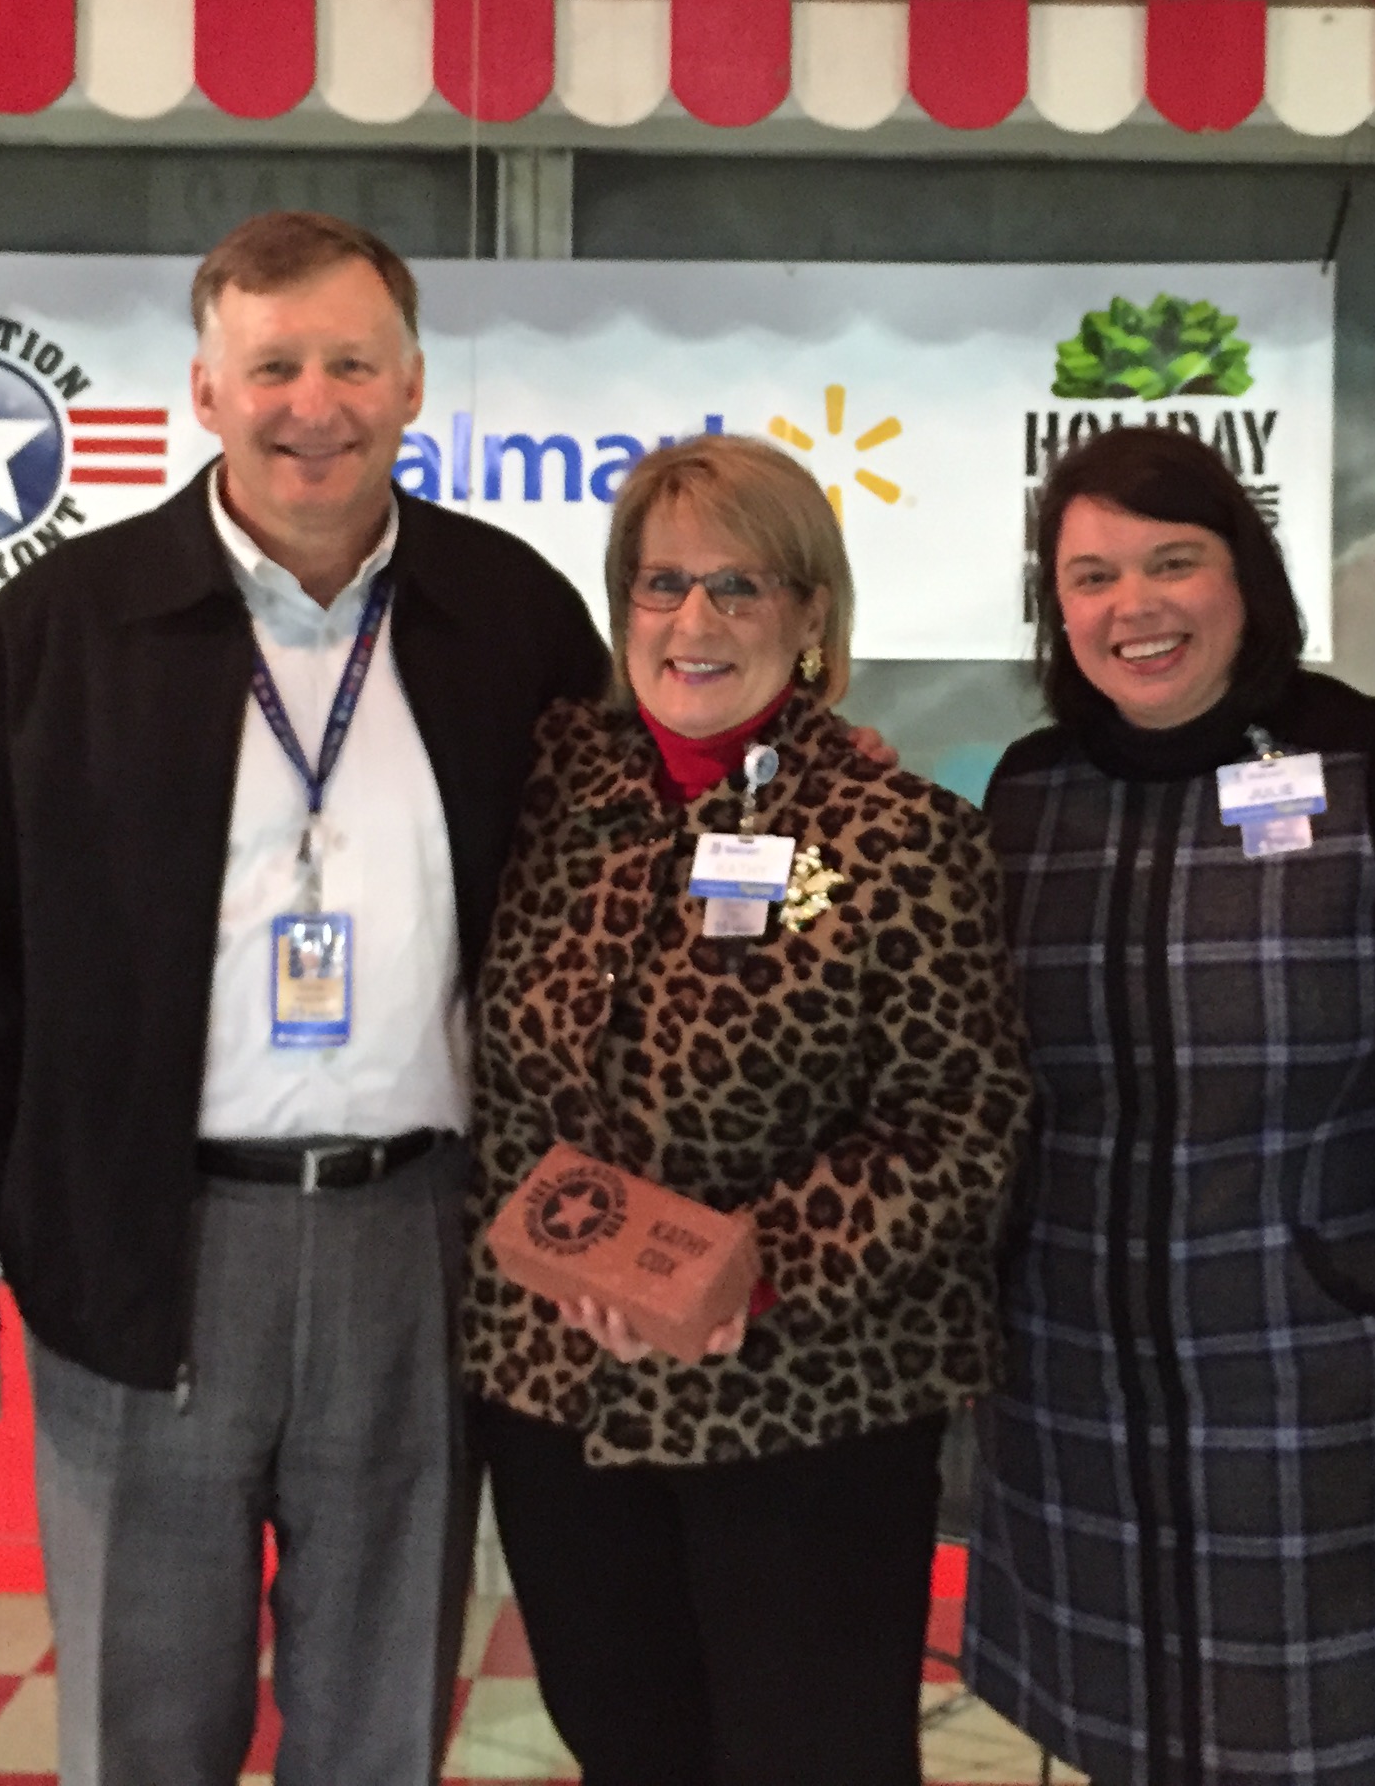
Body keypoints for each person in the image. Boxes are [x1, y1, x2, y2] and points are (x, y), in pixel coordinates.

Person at [0, 210, 606, 1786]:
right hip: (142, 1244)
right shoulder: (60, 632)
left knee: (380, 1708)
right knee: (144, 1717)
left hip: (422, 1238)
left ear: (409, 386)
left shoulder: (509, 616)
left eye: (347, 362)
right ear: (203, 390)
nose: (309, 402)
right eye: (272, 366)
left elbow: (599, 930)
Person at [460, 433, 1032, 1786]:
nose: (694, 624)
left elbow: (963, 1124)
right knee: (626, 1745)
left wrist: (745, 1269)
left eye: (739, 587)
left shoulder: (901, 835)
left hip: (807, 1413)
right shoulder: (549, 796)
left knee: (810, 1757)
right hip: (558, 1390)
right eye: (661, 587)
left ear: (811, 611)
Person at [967, 425, 1375, 1786]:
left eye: (1173, 562)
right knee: (1121, 1735)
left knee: (1325, 1740)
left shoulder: (1374, 762)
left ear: (1245, 577)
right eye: (1090, 576)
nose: (1132, 607)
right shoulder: (1029, 794)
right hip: (1080, 1376)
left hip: (1320, 1369)